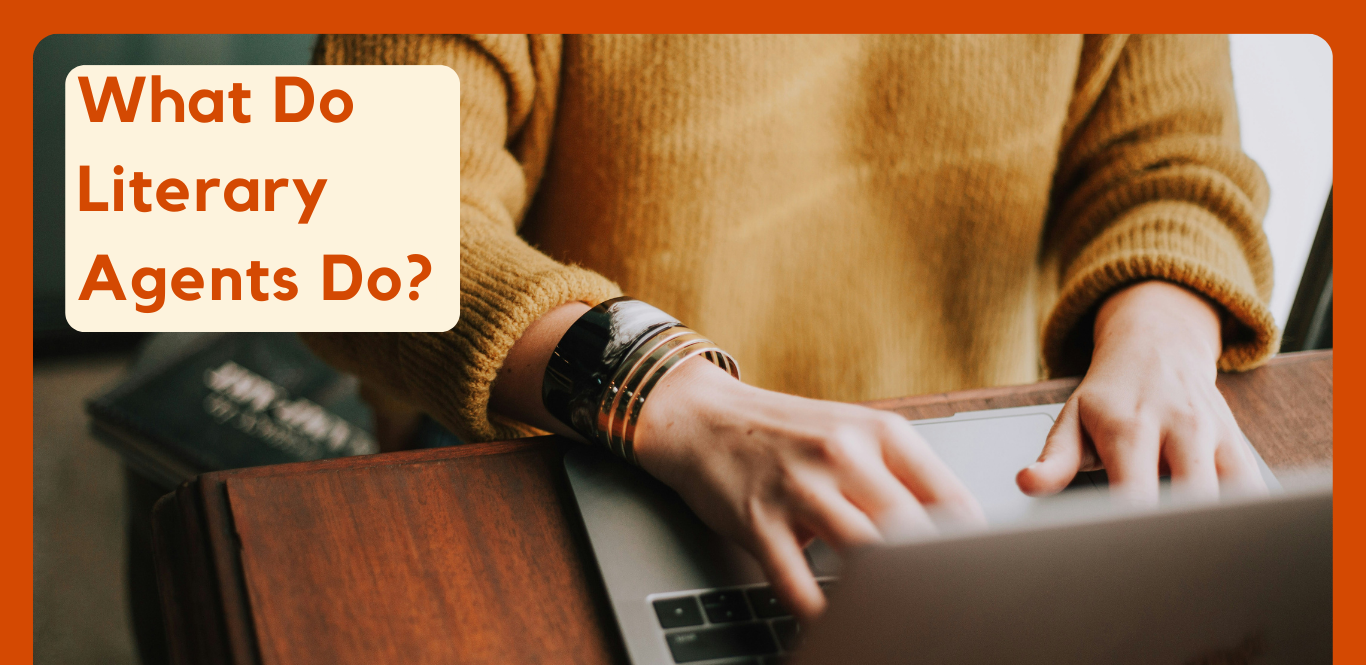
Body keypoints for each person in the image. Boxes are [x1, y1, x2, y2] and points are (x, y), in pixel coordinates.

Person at [304, 34, 1277, 622]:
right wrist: (669, 394)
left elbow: (1169, 153)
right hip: (574, 458)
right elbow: (357, 212)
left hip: (965, 489)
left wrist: (1164, 329)